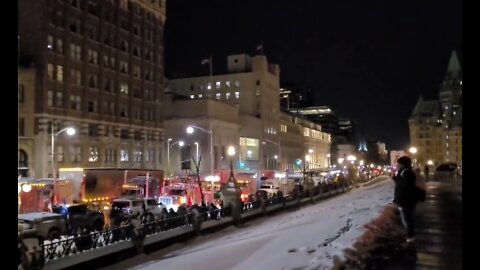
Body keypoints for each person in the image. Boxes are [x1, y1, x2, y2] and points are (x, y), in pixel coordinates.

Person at [393, 156, 418, 246]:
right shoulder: (405, 172)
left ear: (402, 164)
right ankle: (410, 237)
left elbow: (405, 187)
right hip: (406, 201)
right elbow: (402, 184)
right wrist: (395, 178)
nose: (397, 166)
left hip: (406, 202)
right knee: (407, 220)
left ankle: (410, 239)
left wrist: (400, 200)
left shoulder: (406, 172)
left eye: (398, 164)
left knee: (407, 221)